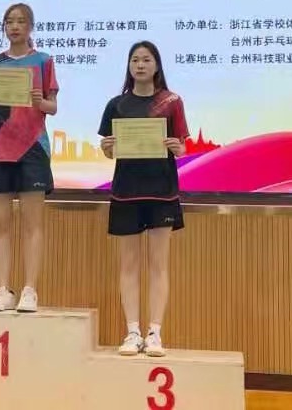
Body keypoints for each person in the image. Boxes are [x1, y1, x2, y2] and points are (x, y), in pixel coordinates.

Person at [98, 41, 189, 356]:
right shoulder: (117, 105)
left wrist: (178, 148)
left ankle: (155, 333)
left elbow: (183, 147)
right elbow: (108, 150)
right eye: (135, 59)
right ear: (129, 65)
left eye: (146, 59)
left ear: (157, 65)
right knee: (129, 265)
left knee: (159, 265)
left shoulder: (171, 102)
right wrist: (107, 148)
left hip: (162, 191)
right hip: (126, 191)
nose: (140, 65)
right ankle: (132, 332)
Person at [0, 3, 59, 313]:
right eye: (9, 22)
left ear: (30, 26)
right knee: (0, 224)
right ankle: (3, 289)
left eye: (21, 21)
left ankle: (30, 289)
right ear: (4, 27)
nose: (15, 26)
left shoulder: (43, 61)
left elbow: (52, 107)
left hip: (33, 149)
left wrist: (40, 101)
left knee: (32, 224)